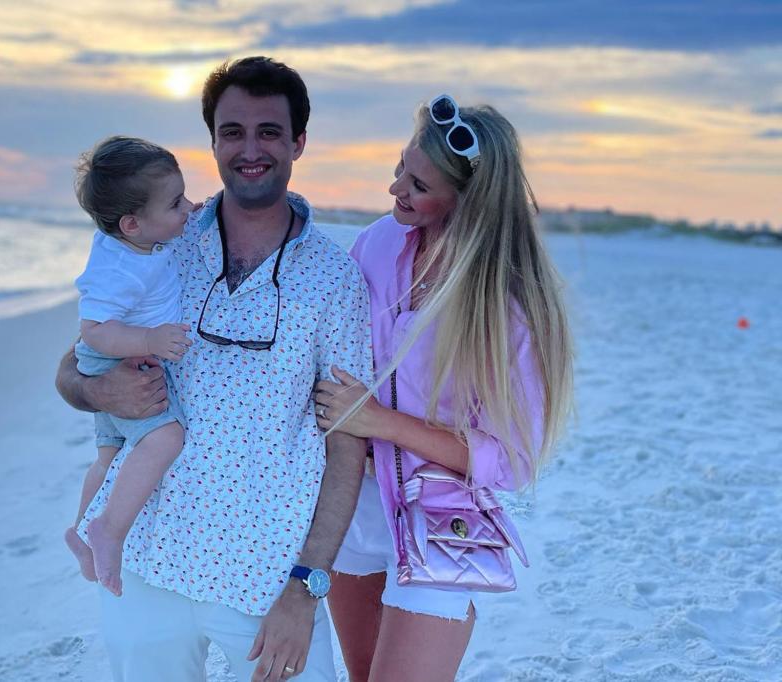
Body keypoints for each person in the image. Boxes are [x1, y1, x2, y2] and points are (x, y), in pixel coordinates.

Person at [55, 56, 373, 682]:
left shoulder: (335, 278)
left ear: (298, 143)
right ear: (213, 142)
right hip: (148, 558)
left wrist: (306, 586)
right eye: (233, 132)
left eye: (269, 132)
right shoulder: (161, 238)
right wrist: (96, 388)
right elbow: (76, 361)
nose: (249, 149)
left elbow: (347, 443)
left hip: (264, 573)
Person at [314, 95, 573, 681]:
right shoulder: (378, 242)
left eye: (417, 183)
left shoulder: (507, 308)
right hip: (349, 506)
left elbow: (511, 460)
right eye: (401, 167)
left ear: (466, 198)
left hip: (440, 523)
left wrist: (380, 421)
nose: (395, 189)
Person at [62, 136, 195, 596]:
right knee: (166, 436)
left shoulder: (132, 243)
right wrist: (149, 339)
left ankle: (81, 532)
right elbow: (94, 329)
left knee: (110, 453)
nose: (189, 208)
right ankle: (110, 531)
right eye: (177, 203)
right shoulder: (121, 269)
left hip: (112, 354)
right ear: (133, 223)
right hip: (113, 355)